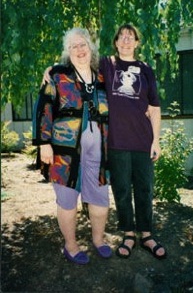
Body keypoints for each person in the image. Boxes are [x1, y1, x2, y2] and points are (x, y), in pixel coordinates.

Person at [42, 23, 166, 260]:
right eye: (122, 37)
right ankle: (99, 240)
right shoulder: (82, 70)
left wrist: (155, 138)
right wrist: (50, 69)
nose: (80, 49)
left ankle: (124, 237)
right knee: (94, 194)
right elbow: (49, 100)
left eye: (83, 45)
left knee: (123, 192)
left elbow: (152, 107)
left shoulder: (125, 71)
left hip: (122, 146)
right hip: (90, 148)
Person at [32, 27, 112, 265]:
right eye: (74, 46)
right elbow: (43, 108)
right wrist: (43, 143)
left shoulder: (103, 76)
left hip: (100, 152)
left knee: (100, 197)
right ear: (68, 52)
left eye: (83, 44)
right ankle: (71, 245)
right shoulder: (57, 75)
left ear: (91, 48)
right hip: (64, 152)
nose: (79, 50)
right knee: (67, 199)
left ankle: (98, 240)